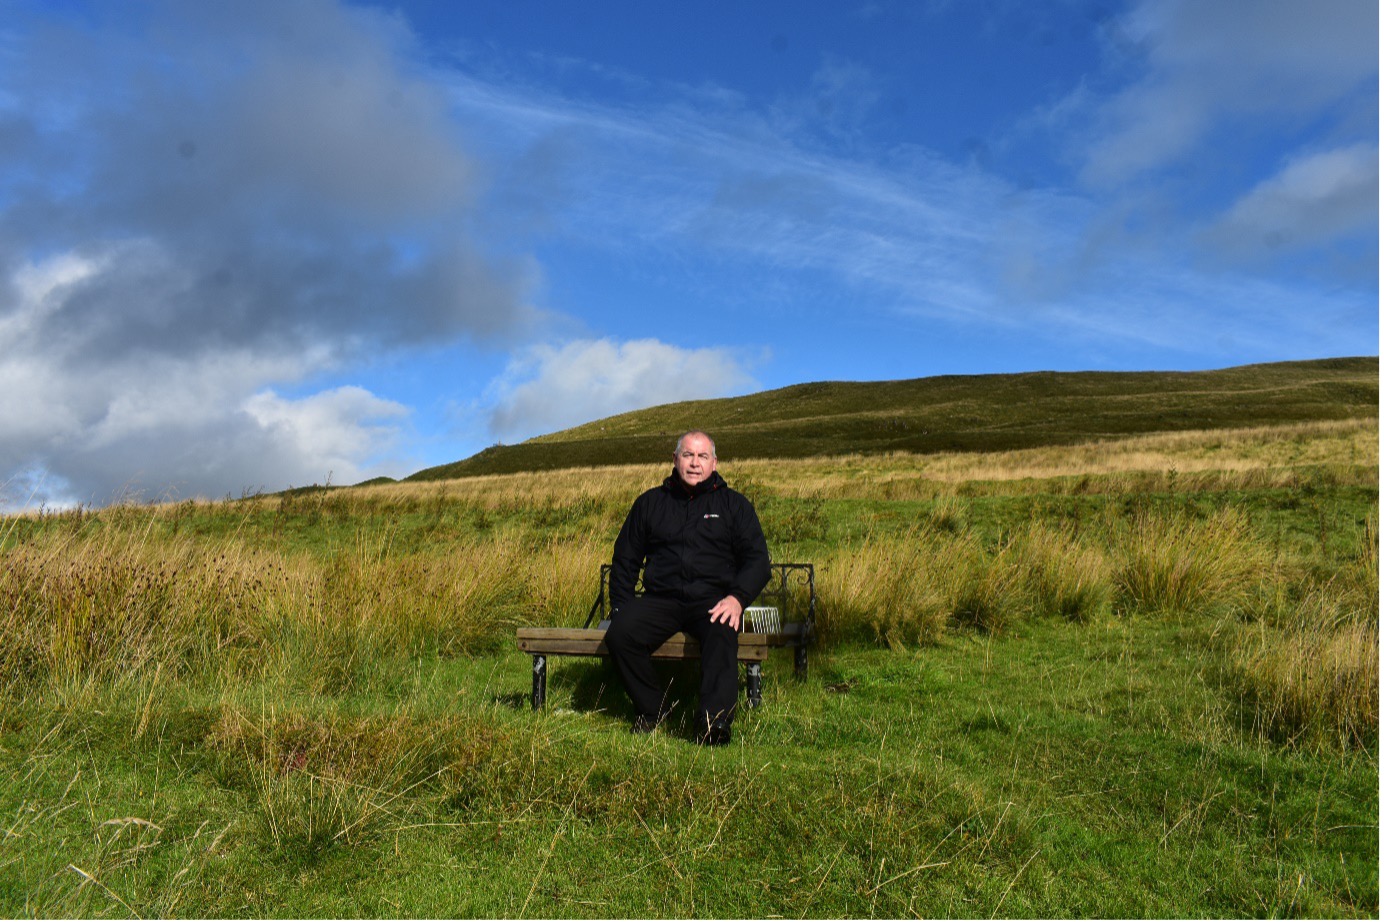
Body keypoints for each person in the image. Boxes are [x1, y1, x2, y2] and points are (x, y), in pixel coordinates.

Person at [604, 430, 771, 745]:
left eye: (702, 456)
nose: (695, 463)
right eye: (688, 455)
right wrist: (621, 608)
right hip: (661, 600)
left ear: (714, 462)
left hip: (713, 601)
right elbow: (625, 558)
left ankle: (712, 724)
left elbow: (758, 561)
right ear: (675, 459)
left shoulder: (734, 505)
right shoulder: (650, 503)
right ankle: (654, 710)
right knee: (621, 633)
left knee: (724, 629)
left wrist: (736, 599)